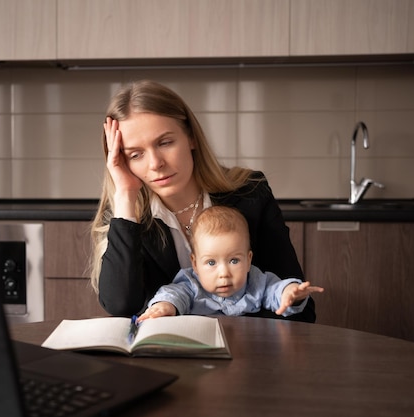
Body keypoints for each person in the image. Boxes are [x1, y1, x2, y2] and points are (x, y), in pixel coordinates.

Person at [89, 79, 317, 323]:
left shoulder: (251, 194)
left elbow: (300, 309)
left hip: (249, 350)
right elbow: (121, 306)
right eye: (135, 155)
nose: (155, 164)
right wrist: (124, 195)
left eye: (165, 142)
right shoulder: (126, 217)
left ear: (191, 137)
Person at [137, 206, 324, 322]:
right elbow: (173, 294)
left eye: (234, 260)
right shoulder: (191, 284)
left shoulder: (256, 282)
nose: (224, 273)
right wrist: (164, 306)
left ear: (249, 259)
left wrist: (290, 292)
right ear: (195, 264)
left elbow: (275, 290)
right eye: (211, 262)